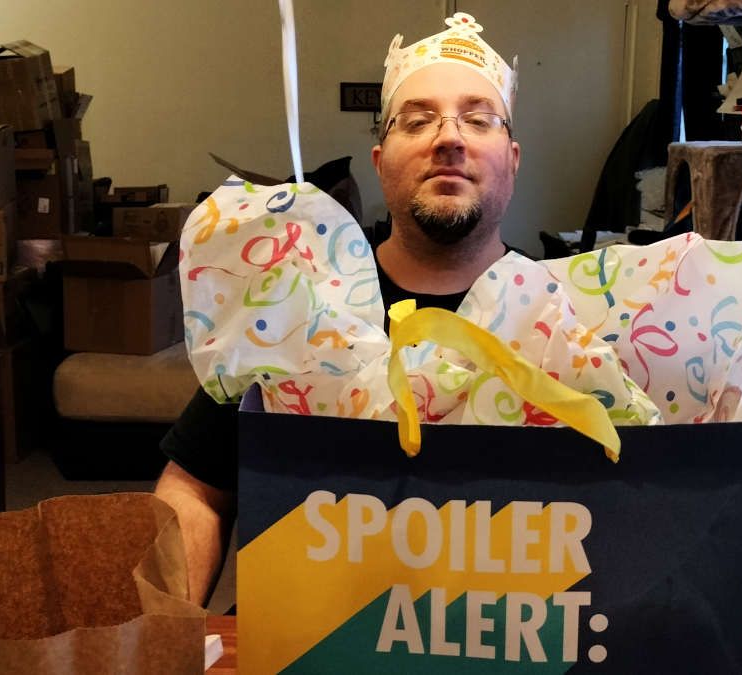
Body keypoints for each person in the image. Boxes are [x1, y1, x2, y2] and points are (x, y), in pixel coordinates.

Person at [155, 11, 521, 605]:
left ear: (513, 158)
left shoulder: (567, 318)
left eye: (479, 119)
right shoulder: (292, 298)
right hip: (304, 632)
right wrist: (165, 628)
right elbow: (194, 489)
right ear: (379, 161)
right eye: (417, 120)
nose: (449, 138)